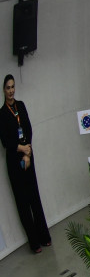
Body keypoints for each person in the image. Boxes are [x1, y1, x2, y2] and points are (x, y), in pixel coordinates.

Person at [0, 75, 50, 254]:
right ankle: (34, 243)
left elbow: (27, 129)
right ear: (3, 90)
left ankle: (44, 237)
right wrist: (21, 148)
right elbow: (6, 141)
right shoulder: (2, 113)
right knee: (23, 203)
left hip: (28, 157)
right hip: (14, 162)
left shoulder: (21, 106)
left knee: (34, 198)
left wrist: (27, 152)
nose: (11, 90)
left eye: (13, 87)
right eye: (8, 87)